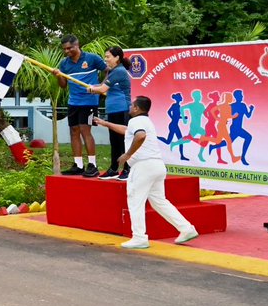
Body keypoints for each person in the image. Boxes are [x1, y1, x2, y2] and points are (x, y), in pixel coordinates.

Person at [94, 96, 198, 249]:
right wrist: (105, 123)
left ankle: (139, 237)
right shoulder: (144, 121)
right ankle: (186, 228)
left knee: (135, 200)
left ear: (136, 108)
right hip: (156, 165)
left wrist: (127, 154)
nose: (129, 107)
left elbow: (140, 136)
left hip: (142, 166)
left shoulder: (136, 121)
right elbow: (127, 131)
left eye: (132, 105)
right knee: (159, 202)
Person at [54, 35, 107, 176]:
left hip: (89, 101)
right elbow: (63, 86)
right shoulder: (64, 64)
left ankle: (92, 165)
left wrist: (102, 86)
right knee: (74, 131)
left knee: (85, 131)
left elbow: (108, 70)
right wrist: (59, 76)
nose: (67, 51)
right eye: (64, 49)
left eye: (69, 48)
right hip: (73, 102)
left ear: (77, 45)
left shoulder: (92, 58)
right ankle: (78, 165)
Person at [91, 45, 132, 180]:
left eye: (108, 57)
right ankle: (114, 169)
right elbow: (103, 87)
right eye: (105, 57)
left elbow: (102, 89)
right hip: (113, 111)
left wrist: (93, 89)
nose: (106, 59)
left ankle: (127, 169)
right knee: (114, 142)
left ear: (117, 57)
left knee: (123, 141)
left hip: (122, 110)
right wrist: (93, 87)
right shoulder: (113, 72)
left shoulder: (119, 71)